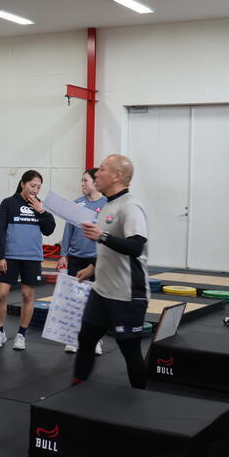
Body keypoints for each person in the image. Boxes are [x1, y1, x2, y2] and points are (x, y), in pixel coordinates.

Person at [71, 154, 150, 390]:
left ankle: (142, 398)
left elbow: (135, 246)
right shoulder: (108, 204)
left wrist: (101, 236)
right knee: (86, 339)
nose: (97, 173)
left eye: (102, 169)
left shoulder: (130, 206)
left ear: (117, 176)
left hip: (126, 294)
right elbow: (108, 248)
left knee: (129, 349)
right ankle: (75, 391)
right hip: (102, 291)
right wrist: (92, 268)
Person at [0, 170, 56, 351]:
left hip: (31, 257)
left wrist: (41, 211)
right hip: (10, 256)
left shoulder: (41, 205)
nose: (35, 189)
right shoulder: (8, 203)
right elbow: (0, 230)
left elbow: (49, 230)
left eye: (38, 187)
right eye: (32, 185)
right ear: (23, 184)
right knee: (0, 294)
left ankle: (21, 335)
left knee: (28, 296)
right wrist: (0, 256)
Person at [60, 168, 108, 354]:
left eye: (85, 181)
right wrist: (63, 254)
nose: (82, 184)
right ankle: (73, 338)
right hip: (76, 258)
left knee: (95, 303)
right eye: (81, 181)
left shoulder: (106, 204)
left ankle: (96, 340)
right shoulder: (77, 204)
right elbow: (68, 230)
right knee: (75, 300)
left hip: (96, 259)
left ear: (95, 182)